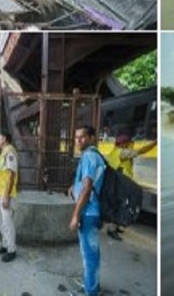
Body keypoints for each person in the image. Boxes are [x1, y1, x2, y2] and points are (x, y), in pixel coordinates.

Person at [69, 125, 106, 296]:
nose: (78, 140)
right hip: (93, 210)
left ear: (91, 138)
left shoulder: (89, 156)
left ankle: (90, 292)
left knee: (89, 255)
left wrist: (76, 215)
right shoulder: (94, 155)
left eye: (82, 136)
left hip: (88, 212)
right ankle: (92, 285)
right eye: (76, 137)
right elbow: (86, 184)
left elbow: (87, 187)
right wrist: (74, 187)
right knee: (92, 252)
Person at [105, 134, 157, 240]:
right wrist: (154, 143)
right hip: (121, 183)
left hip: (116, 182)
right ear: (124, 144)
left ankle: (116, 226)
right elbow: (141, 151)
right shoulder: (122, 152)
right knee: (118, 205)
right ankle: (112, 229)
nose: (129, 145)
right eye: (128, 143)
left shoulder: (114, 152)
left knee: (119, 204)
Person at [0, 131, 18, 262]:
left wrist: (7, 195)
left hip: (5, 194)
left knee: (8, 223)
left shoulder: (10, 152)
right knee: (3, 222)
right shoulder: (3, 153)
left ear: (4, 139)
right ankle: (5, 245)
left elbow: (11, 174)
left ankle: (11, 250)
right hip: (0, 193)